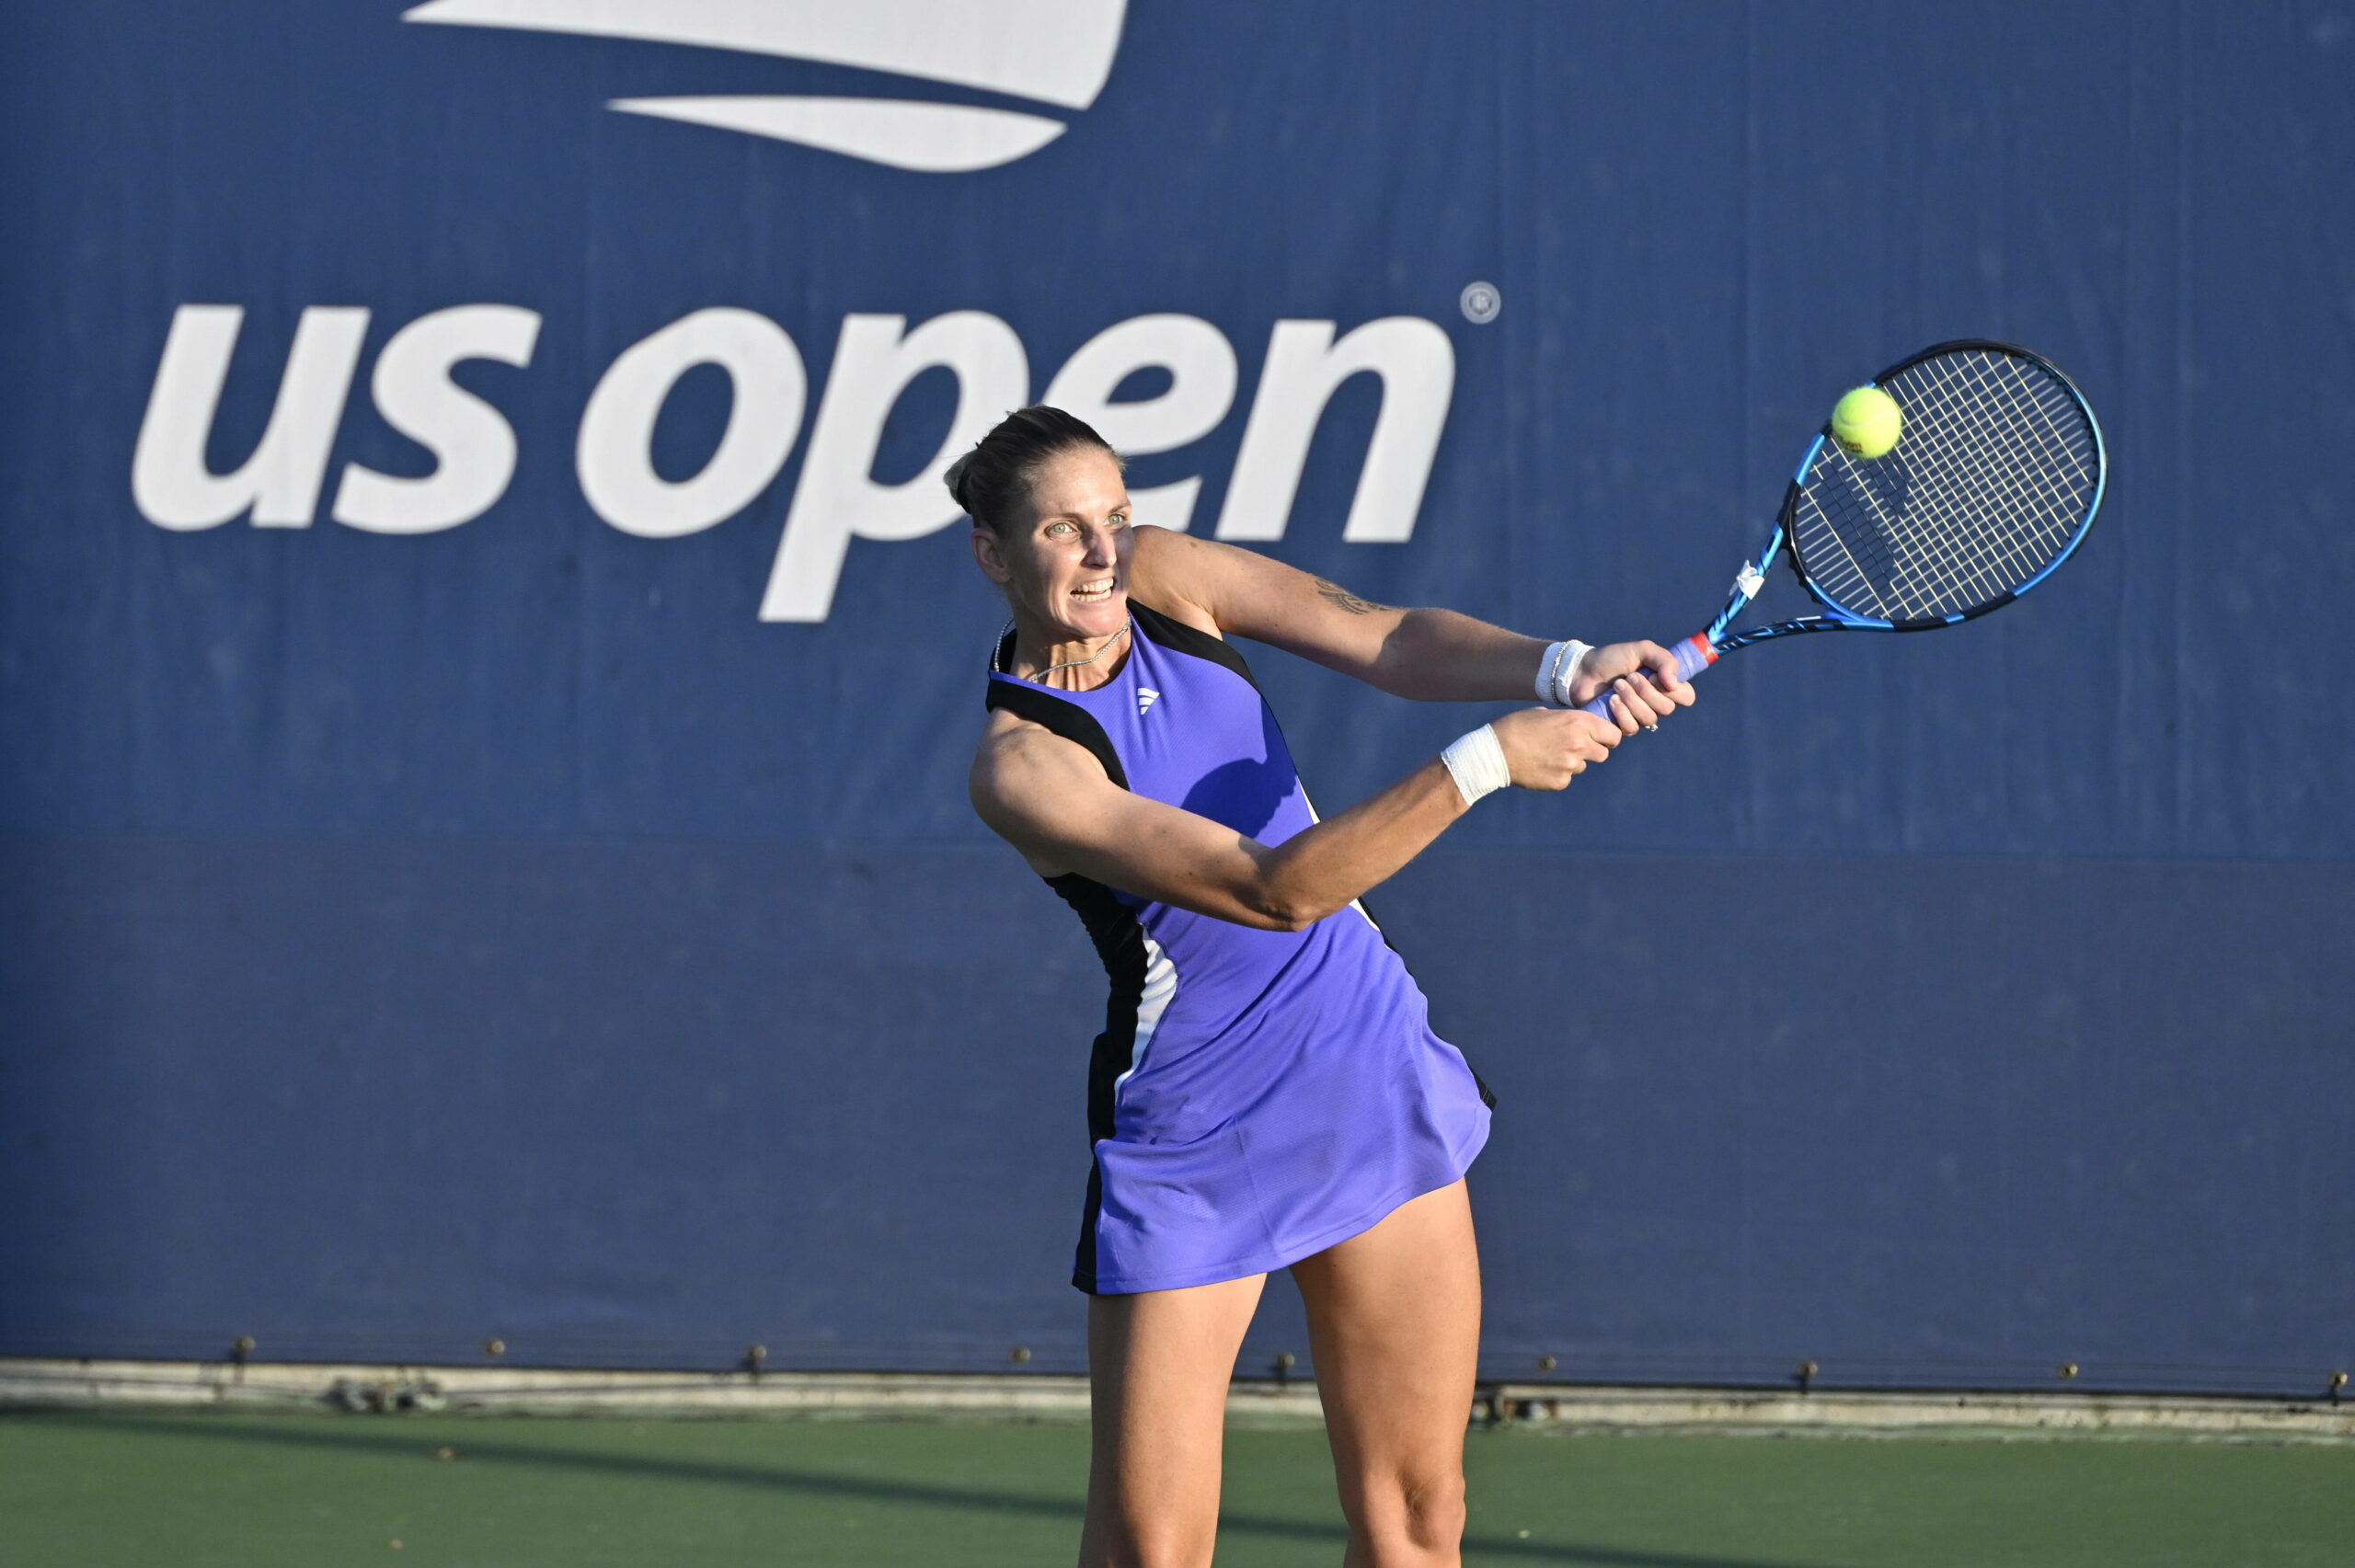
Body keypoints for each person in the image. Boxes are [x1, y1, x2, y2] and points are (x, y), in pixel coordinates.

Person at [957, 406, 1693, 1568]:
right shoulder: (1024, 766)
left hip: (1361, 1063)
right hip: (1196, 1136)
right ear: (994, 554)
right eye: (1064, 530)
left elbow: (1389, 639)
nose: (1105, 555)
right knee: (1152, 1550)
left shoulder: (1167, 577)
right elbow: (1271, 891)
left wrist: (1562, 666)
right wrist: (1492, 760)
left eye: (1115, 517)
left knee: (1419, 1520)